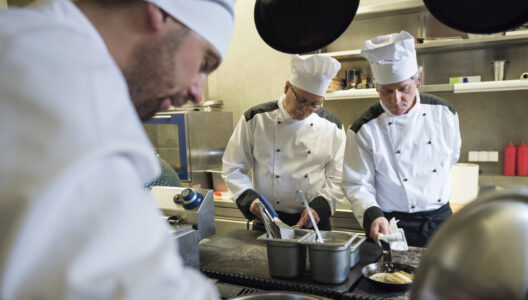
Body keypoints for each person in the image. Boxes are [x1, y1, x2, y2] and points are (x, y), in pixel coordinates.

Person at [0, 0, 235, 299]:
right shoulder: (64, 74)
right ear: (161, 12)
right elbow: (134, 288)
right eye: (204, 63)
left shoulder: (19, 36)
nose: (197, 91)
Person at [342, 31, 461, 247]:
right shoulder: (364, 129)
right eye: (386, 91)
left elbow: (452, 158)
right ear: (376, 86)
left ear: (419, 80)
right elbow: (357, 184)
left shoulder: (444, 114)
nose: (395, 100)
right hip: (392, 227)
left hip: (440, 224)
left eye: (403, 89)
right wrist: (371, 214)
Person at [222, 55, 345, 231]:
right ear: (287, 87)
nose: (305, 110)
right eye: (301, 100)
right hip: (267, 220)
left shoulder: (332, 126)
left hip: (314, 222)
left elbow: (338, 177)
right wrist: (250, 200)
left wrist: (319, 208)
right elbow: (233, 167)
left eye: (314, 104)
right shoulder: (256, 119)